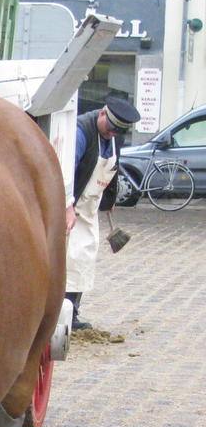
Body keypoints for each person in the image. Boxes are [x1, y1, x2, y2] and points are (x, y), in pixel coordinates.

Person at [66, 96, 140, 331]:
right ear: (102, 113)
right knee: (70, 258)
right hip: (71, 205)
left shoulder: (113, 137)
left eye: (117, 131)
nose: (111, 134)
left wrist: (109, 199)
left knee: (84, 258)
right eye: (109, 128)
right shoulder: (80, 132)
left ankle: (72, 312)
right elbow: (66, 171)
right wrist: (67, 206)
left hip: (90, 208)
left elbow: (112, 167)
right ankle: (62, 312)